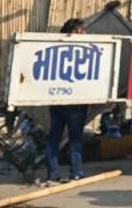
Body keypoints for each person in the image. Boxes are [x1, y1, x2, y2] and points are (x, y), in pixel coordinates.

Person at [46, 18, 89, 183]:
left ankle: (53, 173)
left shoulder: (55, 48)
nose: (84, 33)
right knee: (74, 139)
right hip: (74, 104)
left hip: (58, 101)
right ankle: (75, 172)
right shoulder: (84, 51)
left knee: (55, 138)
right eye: (81, 31)